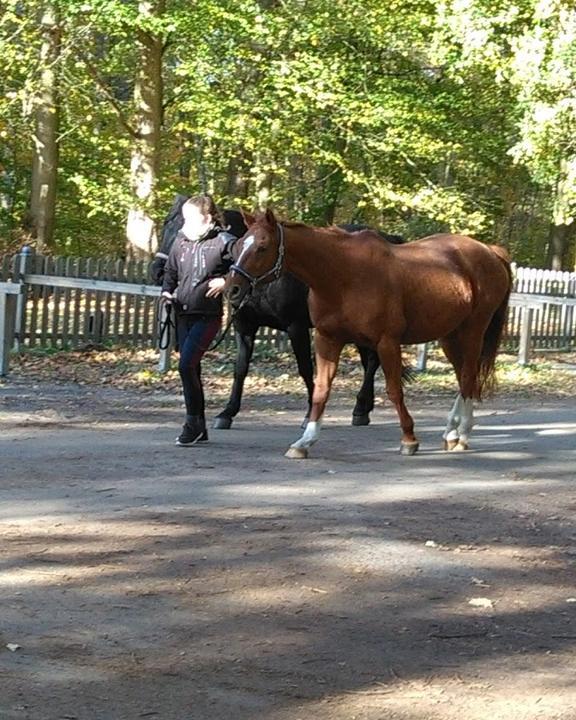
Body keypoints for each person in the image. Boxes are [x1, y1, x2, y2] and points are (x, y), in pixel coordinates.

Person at [161, 194, 237, 446]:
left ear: (206, 217)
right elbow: (171, 271)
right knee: (192, 368)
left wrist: (226, 281)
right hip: (182, 312)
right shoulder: (180, 241)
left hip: (208, 315)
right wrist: (166, 292)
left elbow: (244, 268)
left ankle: (192, 423)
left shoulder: (224, 242)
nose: (185, 222)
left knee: (185, 366)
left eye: (190, 217)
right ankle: (200, 426)